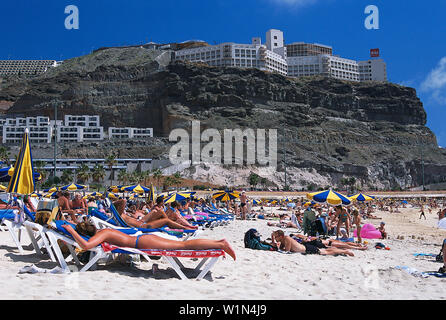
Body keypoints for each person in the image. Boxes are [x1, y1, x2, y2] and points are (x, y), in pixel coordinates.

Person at [61, 222, 236, 261]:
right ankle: (218, 242)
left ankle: (220, 244)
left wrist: (70, 231)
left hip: (142, 243)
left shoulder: (102, 234)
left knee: (183, 246)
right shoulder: (103, 231)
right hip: (142, 240)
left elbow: (85, 245)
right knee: (182, 244)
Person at [114, 196, 197, 230]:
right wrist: (111, 205)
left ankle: (180, 224)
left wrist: (111, 206)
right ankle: (186, 228)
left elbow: (122, 202)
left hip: (142, 222)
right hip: (143, 226)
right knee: (166, 221)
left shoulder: (119, 215)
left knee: (160, 212)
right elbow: (123, 201)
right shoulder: (119, 215)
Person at [271, 230, 354, 256]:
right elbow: (283, 248)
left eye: (276, 237)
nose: (275, 239)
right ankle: (342, 249)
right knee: (326, 249)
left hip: (306, 249)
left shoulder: (287, 238)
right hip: (305, 247)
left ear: (281, 236)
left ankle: (344, 251)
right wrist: (274, 241)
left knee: (326, 252)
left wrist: (278, 248)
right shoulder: (282, 240)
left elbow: (287, 251)